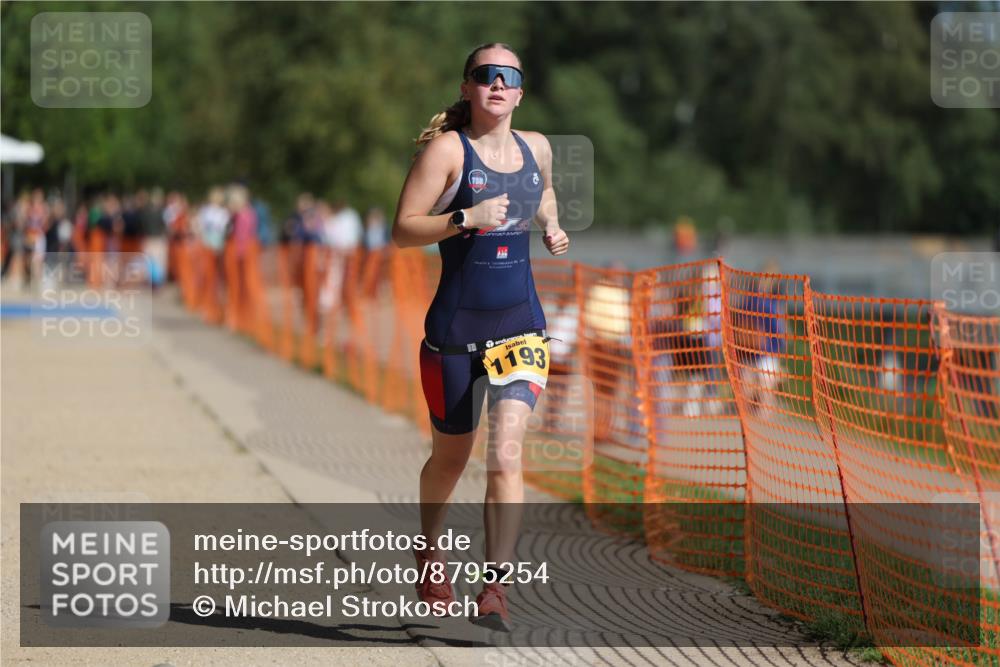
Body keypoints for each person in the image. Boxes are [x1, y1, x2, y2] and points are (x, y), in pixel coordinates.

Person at [392, 42, 569, 631]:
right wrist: (465, 217)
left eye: (509, 76)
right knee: (450, 460)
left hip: (521, 327)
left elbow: (541, 191)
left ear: (521, 90)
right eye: (485, 75)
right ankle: (430, 551)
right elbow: (402, 230)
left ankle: (495, 589)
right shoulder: (448, 150)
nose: (497, 84)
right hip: (454, 336)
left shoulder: (536, 146)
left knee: (507, 451)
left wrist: (552, 223)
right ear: (467, 86)